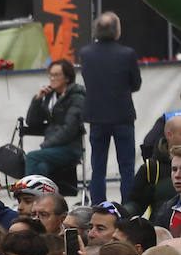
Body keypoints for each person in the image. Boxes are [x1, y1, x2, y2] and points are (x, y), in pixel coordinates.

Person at [77, 12, 142, 203]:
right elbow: (136, 84)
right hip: (122, 115)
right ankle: (129, 208)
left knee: (98, 167)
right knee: (127, 167)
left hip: (97, 117)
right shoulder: (127, 54)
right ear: (116, 30)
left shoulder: (86, 54)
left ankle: (99, 207)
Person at [23, 59, 85, 179]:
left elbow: (69, 129)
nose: (52, 78)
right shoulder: (50, 96)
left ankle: (28, 195)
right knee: (41, 167)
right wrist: (37, 100)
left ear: (67, 78)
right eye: (50, 75)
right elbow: (32, 122)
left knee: (32, 157)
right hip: (53, 148)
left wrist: (47, 144)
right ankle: (43, 197)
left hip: (70, 148)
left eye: (56, 75)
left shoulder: (77, 97)